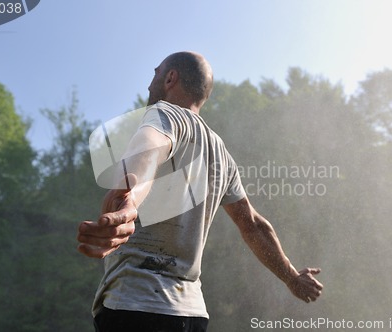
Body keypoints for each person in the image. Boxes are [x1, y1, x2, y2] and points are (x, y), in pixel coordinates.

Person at [77, 51, 323, 332]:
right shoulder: (222, 155)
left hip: (136, 305)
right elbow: (254, 225)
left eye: (155, 74)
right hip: (191, 315)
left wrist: (130, 198)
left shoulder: (165, 113)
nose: (149, 85)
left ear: (170, 78)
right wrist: (291, 277)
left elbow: (150, 148)